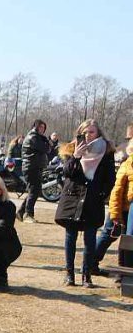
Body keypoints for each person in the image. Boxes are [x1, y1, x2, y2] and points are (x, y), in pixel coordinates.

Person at [54, 119, 115, 287]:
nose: (88, 135)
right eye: (85, 132)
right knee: (70, 237)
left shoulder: (106, 151)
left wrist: (101, 194)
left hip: (93, 200)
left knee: (89, 239)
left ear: (99, 133)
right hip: (72, 198)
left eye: (92, 132)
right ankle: (69, 275)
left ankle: (86, 275)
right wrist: (75, 157)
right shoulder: (72, 149)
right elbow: (67, 173)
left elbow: (110, 178)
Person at [92, 135, 133, 272]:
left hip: (129, 211)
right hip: (121, 209)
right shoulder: (127, 166)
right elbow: (116, 192)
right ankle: (91, 263)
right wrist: (115, 214)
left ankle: (124, 271)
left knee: (127, 241)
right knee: (108, 235)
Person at [19, 119, 50, 223]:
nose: (42, 129)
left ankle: (21, 212)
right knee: (34, 191)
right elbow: (46, 148)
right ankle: (28, 214)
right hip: (31, 167)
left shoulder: (38, 137)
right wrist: (46, 142)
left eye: (43, 128)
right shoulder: (33, 137)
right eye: (40, 127)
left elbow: (48, 148)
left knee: (34, 191)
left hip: (35, 166)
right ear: (35, 127)